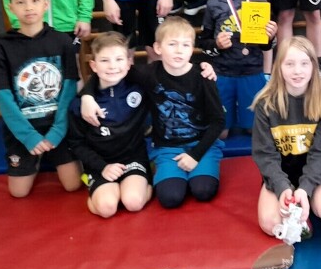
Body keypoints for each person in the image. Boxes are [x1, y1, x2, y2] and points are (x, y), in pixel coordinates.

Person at [82, 17, 226, 209]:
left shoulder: (203, 76)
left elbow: (218, 121)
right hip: (167, 148)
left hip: (201, 145)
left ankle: (198, 168)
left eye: (185, 45)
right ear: (158, 48)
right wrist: (87, 96)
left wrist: (195, 155)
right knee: (170, 198)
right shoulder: (149, 74)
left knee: (203, 190)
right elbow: (114, 71)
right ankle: (160, 172)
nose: (179, 50)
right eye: (172, 44)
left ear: (192, 49)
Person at [0, 0, 82, 198]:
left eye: (35, 1)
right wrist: (29, 137)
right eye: (21, 2)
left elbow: (70, 89)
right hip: (23, 128)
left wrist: (57, 131)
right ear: (11, 7)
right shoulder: (2, 48)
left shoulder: (62, 42)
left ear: (45, 4)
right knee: (19, 193)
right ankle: (36, 157)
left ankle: (49, 153)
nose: (29, 7)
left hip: (58, 126)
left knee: (72, 185)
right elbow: (3, 98)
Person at [251, 37, 321, 237]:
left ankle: (313, 198)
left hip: (316, 171)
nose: (297, 71)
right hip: (280, 171)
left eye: (304, 63)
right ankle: (299, 201)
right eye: (290, 64)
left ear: (313, 66)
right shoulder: (266, 104)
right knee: (270, 224)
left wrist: (305, 189)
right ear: (279, 67)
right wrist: (281, 187)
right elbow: (265, 154)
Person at [67, 32, 151, 218]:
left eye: (119, 59)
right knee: (107, 208)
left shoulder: (140, 87)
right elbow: (76, 143)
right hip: (100, 163)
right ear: (93, 66)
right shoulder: (80, 105)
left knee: (133, 202)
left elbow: (171, 72)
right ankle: (97, 189)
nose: (113, 66)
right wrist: (102, 167)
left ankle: (145, 181)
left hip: (133, 158)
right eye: (104, 60)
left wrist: (205, 66)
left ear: (128, 63)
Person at [198, 0, 278, 137]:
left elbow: (265, 46)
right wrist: (216, 44)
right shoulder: (213, 5)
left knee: (254, 130)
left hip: (252, 72)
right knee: (221, 133)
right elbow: (203, 44)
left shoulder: (260, 4)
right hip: (222, 73)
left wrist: (271, 37)